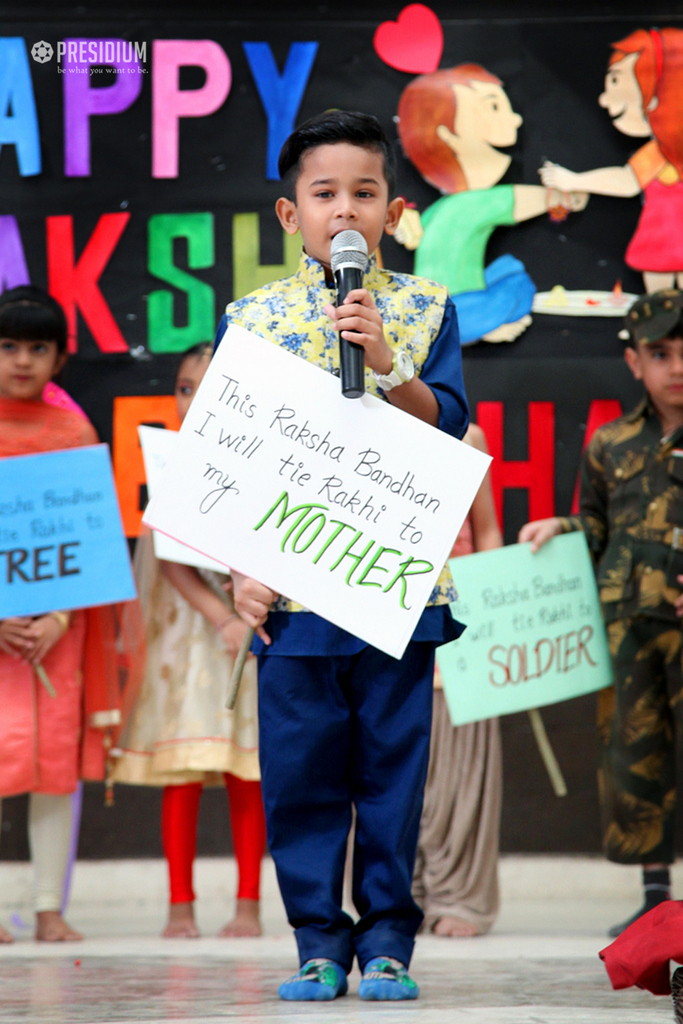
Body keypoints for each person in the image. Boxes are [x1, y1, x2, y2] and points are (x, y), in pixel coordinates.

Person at [214, 110, 469, 1001]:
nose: (345, 209)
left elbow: (450, 422)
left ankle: (390, 941)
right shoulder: (251, 319)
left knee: (392, 773)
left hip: (394, 584)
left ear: (393, 210)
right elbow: (231, 458)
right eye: (324, 194)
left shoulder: (426, 307)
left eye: (364, 192)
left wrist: (391, 367)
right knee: (302, 776)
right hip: (293, 594)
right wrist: (242, 569)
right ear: (291, 215)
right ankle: (317, 940)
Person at [519, 288, 683, 938]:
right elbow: (594, 522)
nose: (675, 366)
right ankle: (654, 899)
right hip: (627, 629)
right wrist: (559, 528)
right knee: (634, 759)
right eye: (659, 352)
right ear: (633, 363)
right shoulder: (610, 445)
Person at [113, 343, 266, 939]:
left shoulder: (261, 461)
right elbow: (171, 559)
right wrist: (220, 614)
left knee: (246, 768)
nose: (194, 400)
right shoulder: (172, 462)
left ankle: (249, 904)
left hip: (253, 628)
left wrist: (244, 612)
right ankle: (180, 903)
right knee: (183, 762)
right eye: (183, 388)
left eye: (209, 387)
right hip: (190, 631)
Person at [0, 285, 128, 943]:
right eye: (8, 346)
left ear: (60, 359)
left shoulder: (73, 431)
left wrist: (55, 620)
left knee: (53, 763)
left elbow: (90, 539)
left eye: (38, 347)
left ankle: (49, 906)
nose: (22, 360)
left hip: (58, 631)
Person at [394, 64, 587, 344]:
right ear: (448, 134)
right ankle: (481, 325)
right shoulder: (476, 203)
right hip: (457, 309)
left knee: (507, 268)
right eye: (493, 107)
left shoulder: (441, 209)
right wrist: (567, 196)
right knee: (517, 281)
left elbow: (415, 236)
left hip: (433, 308)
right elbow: (535, 199)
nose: (517, 120)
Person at [413, 424, 503, 937]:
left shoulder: (467, 437)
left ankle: (460, 895)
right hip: (381, 616)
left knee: (458, 771)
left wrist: (492, 614)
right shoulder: (353, 420)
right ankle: (400, 894)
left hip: (457, 618)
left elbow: (485, 528)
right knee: (390, 765)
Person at [541, 28, 683, 294]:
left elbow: (626, 181)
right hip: (661, 246)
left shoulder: (661, 152)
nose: (605, 100)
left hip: (664, 243)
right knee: (661, 308)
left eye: (616, 82)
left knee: (661, 305)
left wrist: (573, 180)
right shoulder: (660, 150)